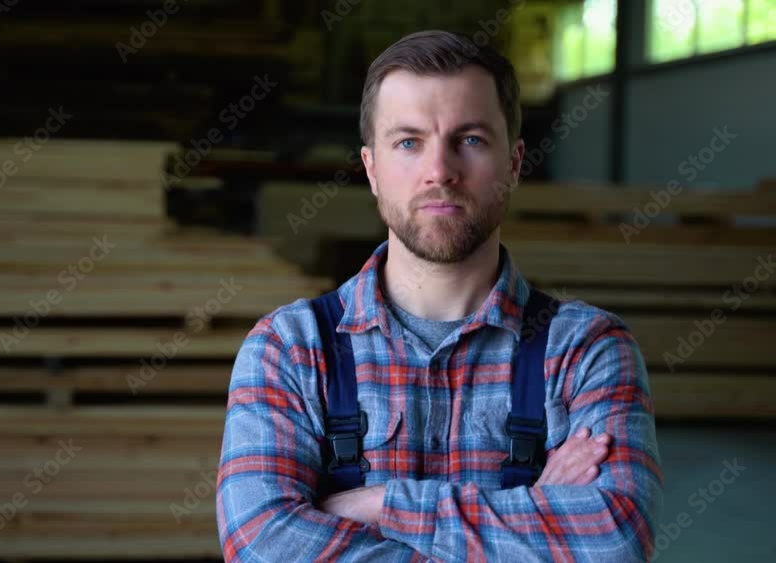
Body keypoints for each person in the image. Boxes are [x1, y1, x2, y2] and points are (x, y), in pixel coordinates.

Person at [216, 30, 663, 562]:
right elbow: (260, 545)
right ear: (372, 169)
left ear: (515, 163)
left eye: (470, 139)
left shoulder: (587, 349)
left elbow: (615, 542)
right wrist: (534, 509)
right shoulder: (288, 349)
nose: (439, 172)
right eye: (409, 142)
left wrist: (381, 506)